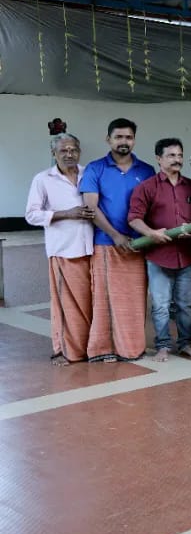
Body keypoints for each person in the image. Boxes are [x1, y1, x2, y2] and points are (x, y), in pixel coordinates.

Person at [80, 118, 156, 361]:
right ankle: (103, 349)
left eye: (129, 137)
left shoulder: (146, 171)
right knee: (104, 299)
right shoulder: (95, 168)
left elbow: (151, 207)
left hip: (137, 245)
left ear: (134, 140)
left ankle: (131, 348)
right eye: (119, 137)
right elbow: (90, 207)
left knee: (134, 300)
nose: (124, 142)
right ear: (109, 139)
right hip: (105, 244)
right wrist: (115, 235)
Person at [127, 139, 191, 361]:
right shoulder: (147, 187)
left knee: (186, 306)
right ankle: (163, 346)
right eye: (171, 156)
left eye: (179, 155)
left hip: (186, 256)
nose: (177, 160)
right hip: (158, 257)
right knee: (160, 306)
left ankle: (186, 344)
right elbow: (134, 218)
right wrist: (151, 233)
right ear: (158, 159)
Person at [25, 133, 95, 365]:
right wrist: (66, 214)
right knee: (66, 305)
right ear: (53, 153)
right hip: (64, 250)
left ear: (79, 151)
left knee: (92, 304)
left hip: (93, 248)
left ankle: (92, 347)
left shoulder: (90, 173)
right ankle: (64, 349)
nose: (69, 154)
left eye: (73, 149)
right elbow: (32, 215)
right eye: (63, 150)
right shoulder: (43, 179)